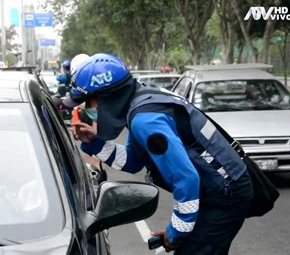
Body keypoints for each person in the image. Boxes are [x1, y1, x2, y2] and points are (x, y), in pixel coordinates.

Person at [63, 53, 253, 254]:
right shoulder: (139, 102)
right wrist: (96, 144)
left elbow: (186, 179)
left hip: (225, 196)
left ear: (107, 97)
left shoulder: (145, 119)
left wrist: (175, 234)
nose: (85, 109)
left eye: (87, 102)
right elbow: (132, 161)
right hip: (215, 190)